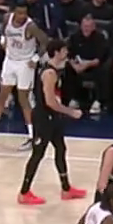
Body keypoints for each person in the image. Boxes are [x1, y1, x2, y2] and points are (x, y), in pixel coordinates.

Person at [17, 41, 86, 206]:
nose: (67, 52)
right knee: (38, 154)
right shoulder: (49, 73)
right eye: (64, 50)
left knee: (60, 149)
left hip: (53, 117)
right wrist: (70, 112)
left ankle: (66, 189)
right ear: (56, 52)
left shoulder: (56, 69)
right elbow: (50, 101)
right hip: (44, 117)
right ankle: (24, 193)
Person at [0, 2, 43, 147]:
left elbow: (45, 42)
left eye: (25, 13)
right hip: (10, 61)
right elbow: (3, 32)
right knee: (2, 96)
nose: (22, 16)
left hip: (25, 63)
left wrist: (36, 58)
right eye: (19, 13)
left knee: (24, 99)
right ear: (14, 12)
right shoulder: (6, 18)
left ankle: (33, 136)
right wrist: (3, 40)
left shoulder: (31, 26)